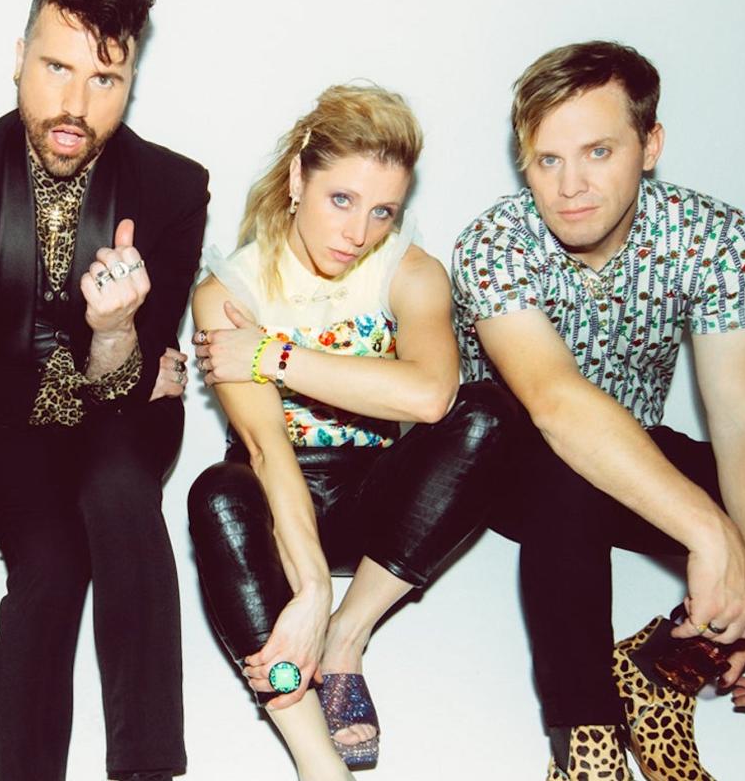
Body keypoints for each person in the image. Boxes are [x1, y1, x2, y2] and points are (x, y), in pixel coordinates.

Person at [452, 40, 745, 780]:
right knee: (568, 464)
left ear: (650, 145)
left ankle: (663, 669)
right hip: (516, 468)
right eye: (546, 160)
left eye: (598, 151)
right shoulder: (494, 244)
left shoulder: (713, 238)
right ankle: (587, 747)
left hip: (636, 457)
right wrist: (712, 532)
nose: (569, 186)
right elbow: (557, 404)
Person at [0, 0, 207, 781]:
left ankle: (146, 767)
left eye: (105, 79)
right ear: (18, 58)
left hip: (123, 423)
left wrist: (114, 333)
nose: (75, 105)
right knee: (50, 564)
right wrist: (109, 367)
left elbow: (135, 383)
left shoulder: (175, 189)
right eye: (56, 68)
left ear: (131, 82)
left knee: (118, 493)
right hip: (3, 431)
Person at [187, 84, 512, 781]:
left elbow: (431, 396)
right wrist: (310, 589)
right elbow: (266, 447)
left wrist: (272, 355)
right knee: (216, 491)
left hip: (377, 507)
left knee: (489, 411)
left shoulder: (410, 271)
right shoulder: (228, 291)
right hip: (282, 504)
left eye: (381, 211)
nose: (358, 233)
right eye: (341, 199)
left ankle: (345, 639)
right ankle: (315, 755)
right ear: (298, 179)